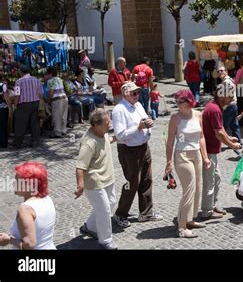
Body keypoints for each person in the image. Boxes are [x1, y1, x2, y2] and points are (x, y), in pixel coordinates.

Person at [112, 82, 162, 228]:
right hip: (129, 150)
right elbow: (120, 135)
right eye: (134, 93)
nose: (137, 95)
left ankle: (146, 212)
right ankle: (120, 213)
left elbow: (144, 121)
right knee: (132, 182)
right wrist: (138, 127)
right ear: (125, 94)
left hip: (143, 147)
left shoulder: (138, 105)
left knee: (147, 179)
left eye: (138, 93)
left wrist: (149, 123)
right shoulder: (119, 110)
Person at [165, 90, 211, 238]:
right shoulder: (175, 118)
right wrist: (169, 161)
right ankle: (182, 227)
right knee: (189, 188)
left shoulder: (198, 115)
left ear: (189, 101)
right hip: (182, 155)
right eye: (176, 101)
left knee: (198, 187)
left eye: (180, 101)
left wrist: (205, 157)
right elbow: (170, 141)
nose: (177, 104)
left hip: (196, 153)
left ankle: (190, 219)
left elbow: (202, 137)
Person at [75, 109, 117, 250]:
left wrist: (116, 138)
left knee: (111, 202)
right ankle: (106, 241)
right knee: (104, 210)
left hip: (107, 178)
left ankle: (90, 226)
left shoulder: (102, 133)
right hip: (94, 182)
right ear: (95, 125)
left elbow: (106, 141)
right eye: (107, 123)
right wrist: (80, 185)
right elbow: (80, 166)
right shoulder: (88, 143)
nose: (109, 124)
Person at [201, 83, 241, 220]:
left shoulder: (216, 107)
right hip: (209, 150)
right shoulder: (215, 109)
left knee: (216, 178)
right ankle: (207, 210)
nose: (231, 98)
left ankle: (212, 205)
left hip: (212, 149)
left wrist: (229, 138)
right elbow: (218, 133)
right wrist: (231, 145)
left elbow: (220, 128)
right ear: (222, 95)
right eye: (230, 95)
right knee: (210, 180)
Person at [0, 162, 56, 249]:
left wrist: (8, 239)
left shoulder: (25, 210)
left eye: (17, 181)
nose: (13, 184)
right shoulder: (47, 199)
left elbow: (29, 245)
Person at [12, 65, 43, 148]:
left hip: (23, 105)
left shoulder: (18, 82)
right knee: (35, 124)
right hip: (35, 103)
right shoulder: (37, 80)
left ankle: (17, 143)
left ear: (21, 72)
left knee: (20, 124)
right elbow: (40, 94)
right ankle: (35, 142)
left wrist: (15, 105)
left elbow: (17, 95)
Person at [218, 65, 242, 144]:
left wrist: (224, 106)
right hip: (233, 105)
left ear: (226, 71)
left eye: (222, 71)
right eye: (218, 71)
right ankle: (237, 142)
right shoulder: (228, 80)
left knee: (222, 126)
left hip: (229, 106)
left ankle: (219, 142)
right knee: (234, 125)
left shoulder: (226, 81)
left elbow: (230, 95)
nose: (220, 72)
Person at [46, 67, 68, 138]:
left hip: (57, 99)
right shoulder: (60, 79)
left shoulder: (50, 81)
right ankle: (63, 130)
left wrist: (49, 100)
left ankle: (57, 132)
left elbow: (51, 92)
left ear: (50, 74)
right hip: (64, 97)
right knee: (63, 115)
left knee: (57, 116)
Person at [0, 77, 11, 147]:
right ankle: (3, 143)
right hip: (2, 108)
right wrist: (10, 108)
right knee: (3, 125)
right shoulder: (2, 85)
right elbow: (6, 97)